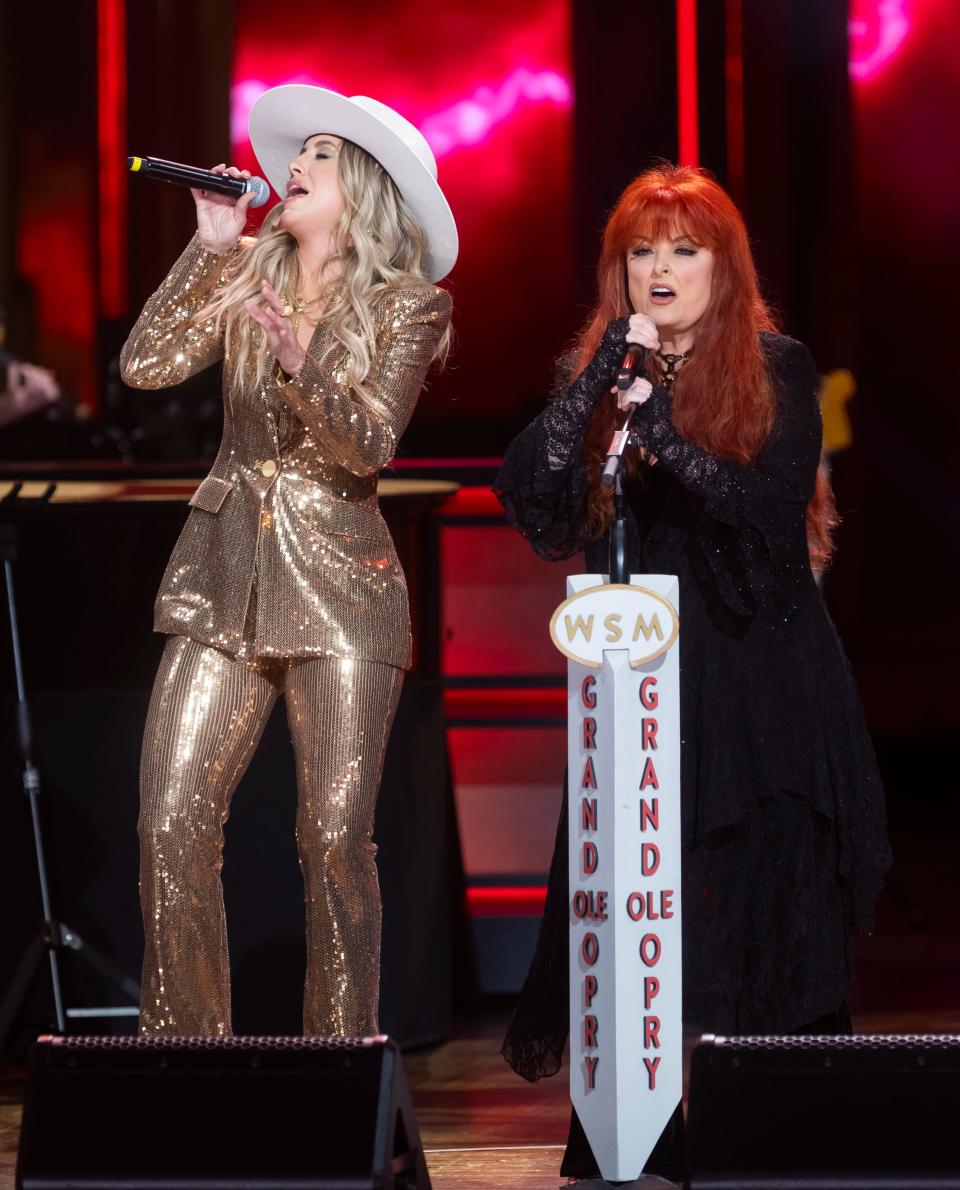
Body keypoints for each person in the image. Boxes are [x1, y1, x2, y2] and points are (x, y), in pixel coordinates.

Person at [494, 164, 890, 1181]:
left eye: (683, 249)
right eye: (641, 250)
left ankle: (776, 1132)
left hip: (759, 683)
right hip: (636, 690)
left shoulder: (776, 364)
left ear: (724, 265)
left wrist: (664, 432)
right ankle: (643, 1134)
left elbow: (765, 511)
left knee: (752, 898)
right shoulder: (603, 371)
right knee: (633, 908)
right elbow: (532, 498)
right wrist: (601, 384)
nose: (660, 269)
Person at [120, 86, 456, 1037]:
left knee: (335, 838)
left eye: (321, 154)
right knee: (171, 823)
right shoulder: (246, 274)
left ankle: (344, 1072)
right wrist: (210, 247)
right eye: (296, 152)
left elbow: (371, 449)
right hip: (221, 577)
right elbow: (145, 366)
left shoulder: (408, 307)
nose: (294, 167)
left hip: (345, 589)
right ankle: (183, 1064)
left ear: (366, 189)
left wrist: (305, 361)